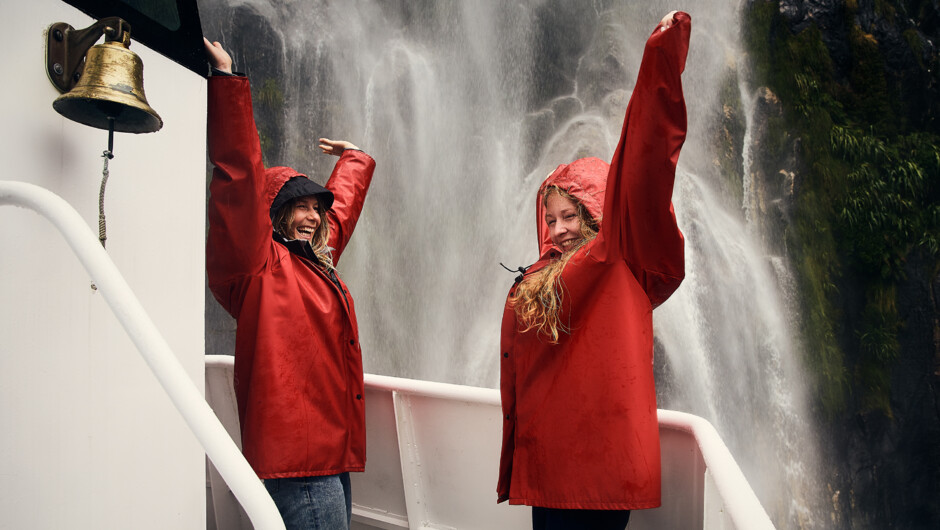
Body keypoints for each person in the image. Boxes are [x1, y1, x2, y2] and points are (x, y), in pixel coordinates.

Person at [497, 11, 691, 530]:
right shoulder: (540, 278)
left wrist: (661, 60)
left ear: (596, 214)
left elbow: (646, 159)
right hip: (548, 468)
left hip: (595, 478)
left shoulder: (615, 256)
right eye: (551, 218)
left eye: (571, 216)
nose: (559, 229)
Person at [204, 38, 376, 530]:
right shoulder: (257, 265)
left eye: (315, 209)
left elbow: (339, 214)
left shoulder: (313, 262)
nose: (311, 216)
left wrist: (356, 159)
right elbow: (238, 178)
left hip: (329, 454)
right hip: (297, 462)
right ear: (272, 213)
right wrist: (228, 80)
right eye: (299, 206)